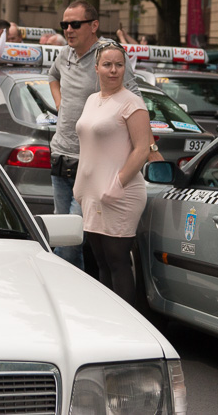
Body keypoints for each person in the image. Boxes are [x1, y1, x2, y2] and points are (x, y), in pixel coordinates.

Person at [48, 0, 158, 269]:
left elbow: (135, 100)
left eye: (75, 24)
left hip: (92, 166)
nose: (69, 29)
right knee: (62, 237)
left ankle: (78, 299)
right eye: (65, 25)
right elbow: (52, 76)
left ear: (94, 25)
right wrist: (61, 103)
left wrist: (150, 148)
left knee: (74, 243)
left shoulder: (109, 54)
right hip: (61, 156)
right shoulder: (64, 55)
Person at [74, 41, 153, 305]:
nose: (113, 70)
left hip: (121, 193)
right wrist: (80, 186)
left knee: (118, 263)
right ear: (96, 68)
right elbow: (89, 147)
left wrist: (118, 183)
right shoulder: (91, 100)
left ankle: (127, 326)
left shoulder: (132, 103)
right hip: (93, 195)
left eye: (119, 65)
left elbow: (143, 149)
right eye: (107, 65)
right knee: (101, 263)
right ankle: (105, 317)